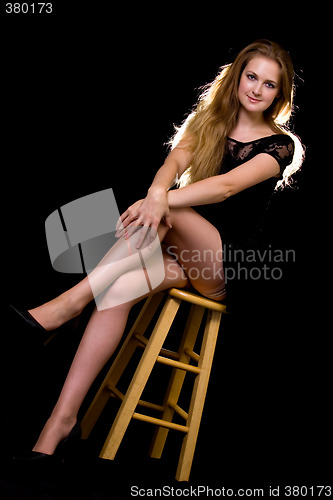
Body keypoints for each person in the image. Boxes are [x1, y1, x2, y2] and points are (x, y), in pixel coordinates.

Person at [11, 39, 303, 460]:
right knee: (118, 289)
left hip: (225, 263)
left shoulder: (279, 145)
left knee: (169, 212)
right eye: (252, 76)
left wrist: (160, 201)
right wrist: (155, 191)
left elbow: (223, 189)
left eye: (269, 84)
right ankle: (60, 422)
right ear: (238, 76)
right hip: (178, 253)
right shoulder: (210, 122)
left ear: (280, 94)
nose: (257, 89)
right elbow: (172, 165)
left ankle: (68, 303)